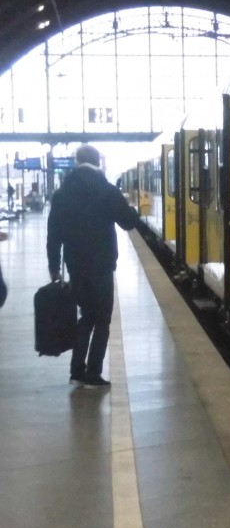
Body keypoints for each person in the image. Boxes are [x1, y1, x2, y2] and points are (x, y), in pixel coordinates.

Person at [46, 144, 139, 388]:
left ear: (77, 162)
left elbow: (53, 234)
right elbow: (128, 222)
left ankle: (77, 370)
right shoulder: (106, 190)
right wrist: (133, 210)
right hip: (102, 265)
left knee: (86, 316)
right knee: (102, 319)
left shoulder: (63, 193)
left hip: (75, 265)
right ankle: (93, 372)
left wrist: (54, 267)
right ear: (97, 162)